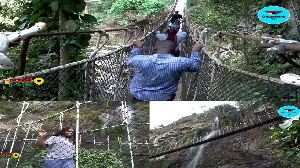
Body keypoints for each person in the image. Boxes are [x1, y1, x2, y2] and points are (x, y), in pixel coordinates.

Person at [126, 40, 203, 101]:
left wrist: (137, 48)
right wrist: (195, 51)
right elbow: (195, 66)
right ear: (176, 50)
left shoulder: (139, 59)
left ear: (155, 49)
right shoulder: (180, 62)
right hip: (163, 99)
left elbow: (129, 62)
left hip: (135, 96)